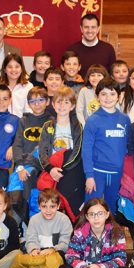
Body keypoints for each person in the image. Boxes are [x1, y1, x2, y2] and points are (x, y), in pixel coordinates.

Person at [57, 198, 131, 268]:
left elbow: (121, 258)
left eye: (100, 214)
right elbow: (71, 255)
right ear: (87, 216)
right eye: (92, 214)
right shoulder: (79, 232)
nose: (96, 218)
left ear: (107, 215)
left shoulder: (116, 232)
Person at [82, 77, 130, 214]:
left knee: (113, 209)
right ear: (97, 97)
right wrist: (89, 175)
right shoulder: (93, 120)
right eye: (103, 94)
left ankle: (112, 228)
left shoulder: (125, 119)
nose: (108, 98)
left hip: (117, 174)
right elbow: (86, 150)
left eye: (112, 94)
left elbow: (127, 147)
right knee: (91, 208)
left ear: (118, 96)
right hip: (97, 173)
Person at [10, 188, 73, 268]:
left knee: (53, 262)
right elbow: (31, 239)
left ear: (58, 206)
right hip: (38, 253)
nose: (48, 210)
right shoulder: (34, 219)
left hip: (55, 253)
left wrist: (53, 249)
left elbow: (66, 243)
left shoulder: (64, 220)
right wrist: (34, 249)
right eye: (44, 206)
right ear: (39, 206)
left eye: (52, 206)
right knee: (19, 257)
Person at [38, 87, 85, 215]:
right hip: (52, 168)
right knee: (51, 202)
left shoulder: (77, 125)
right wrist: (50, 169)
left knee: (70, 204)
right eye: (59, 102)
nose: (62, 105)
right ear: (53, 105)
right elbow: (42, 151)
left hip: (70, 169)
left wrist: (63, 169)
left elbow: (78, 150)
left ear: (72, 106)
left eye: (66, 102)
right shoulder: (47, 126)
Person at [9, 86, 51, 226]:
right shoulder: (24, 120)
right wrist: (20, 167)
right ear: (28, 104)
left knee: (36, 199)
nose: (37, 104)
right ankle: (17, 227)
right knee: (16, 190)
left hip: (42, 168)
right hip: (23, 166)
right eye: (33, 101)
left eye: (40, 100)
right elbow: (17, 145)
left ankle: (34, 228)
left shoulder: (52, 121)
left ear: (47, 102)